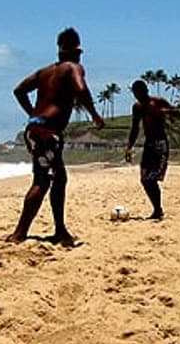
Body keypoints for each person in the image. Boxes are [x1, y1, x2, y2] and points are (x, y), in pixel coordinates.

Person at [6, 27, 106, 246]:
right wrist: (95, 116)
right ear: (72, 51)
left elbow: (19, 90)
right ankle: (20, 232)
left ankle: (60, 230)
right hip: (47, 133)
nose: (80, 56)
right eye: (78, 51)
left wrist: (33, 114)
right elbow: (81, 90)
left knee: (59, 178)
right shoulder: (73, 68)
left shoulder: (45, 72)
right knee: (42, 181)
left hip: (35, 129)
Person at [125, 80, 180, 220]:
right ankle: (157, 210)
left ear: (145, 91)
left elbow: (178, 113)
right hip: (149, 144)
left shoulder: (158, 101)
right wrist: (129, 147)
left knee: (152, 178)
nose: (137, 96)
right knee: (145, 179)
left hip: (160, 143)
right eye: (135, 93)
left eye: (138, 93)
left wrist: (165, 111)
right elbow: (135, 128)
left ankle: (158, 210)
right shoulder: (137, 107)